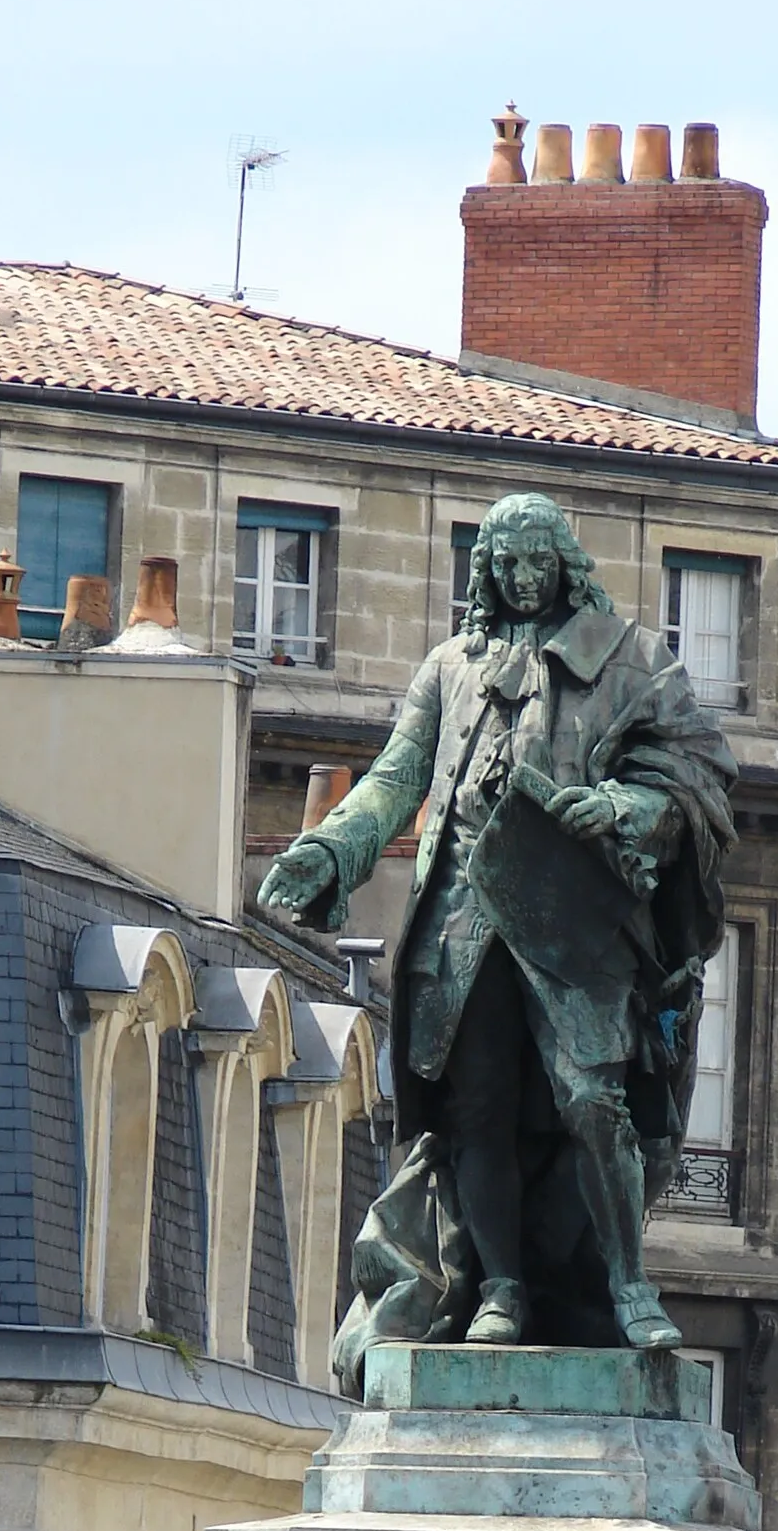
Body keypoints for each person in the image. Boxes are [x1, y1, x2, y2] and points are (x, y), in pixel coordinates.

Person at [257, 491, 738, 1377]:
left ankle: (629, 1283)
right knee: (473, 1110)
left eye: (535, 561)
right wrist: (332, 850)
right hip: (463, 912)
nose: (521, 578)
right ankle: (500, 1289)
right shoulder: (449, 667)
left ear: (565, 561)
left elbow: (699, 771)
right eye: (503, 562)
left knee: (591, 1097)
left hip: (565, 910)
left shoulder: (630, 661)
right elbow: (395, 782)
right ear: (484, 569)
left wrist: (626, 805)